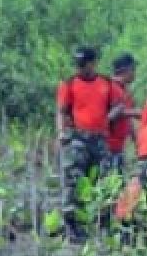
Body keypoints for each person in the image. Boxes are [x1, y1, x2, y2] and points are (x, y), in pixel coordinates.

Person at [56, 47, 117, 241]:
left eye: (85, 64)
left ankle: (103, 223)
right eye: (78, 65)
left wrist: (106, 120)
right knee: (74, 181)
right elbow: (62, 111)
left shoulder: (106, 83)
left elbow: (116, 106)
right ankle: (72, 225)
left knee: (104, 181)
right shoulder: (69, 84)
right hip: (77, 138)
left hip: (100, 139)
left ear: (93, 63)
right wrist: (61, 133)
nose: (81, 69)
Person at [103, 54, 139, 173]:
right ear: (125, 70)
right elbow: (110, 115)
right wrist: (135, 112)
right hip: (106, 147)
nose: (135, 73)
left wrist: (136, 142)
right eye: (133, 69)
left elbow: (128, 121)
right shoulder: (109, 87)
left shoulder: (125, 91)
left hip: (118, 148)